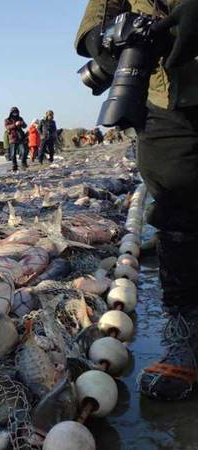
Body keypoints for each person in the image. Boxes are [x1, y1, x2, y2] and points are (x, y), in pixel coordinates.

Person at [77, 0, 198, 401]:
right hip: (164, 95)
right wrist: (100, 39)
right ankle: (185, 337)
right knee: (174, 203)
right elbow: (99, 15)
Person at [4, 107, 28, 171]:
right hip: (13, 138)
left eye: (16, 112)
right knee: (13, 154)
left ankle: (23, 163)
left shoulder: (20, 118)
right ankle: (14, 165)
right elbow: (7, 127)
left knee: (24, 151)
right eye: (14, 112)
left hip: (21, 138)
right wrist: (15, 124)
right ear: (11, 113)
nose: (15, 113)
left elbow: (25, 126)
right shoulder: (7, 120)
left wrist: (21, 123)